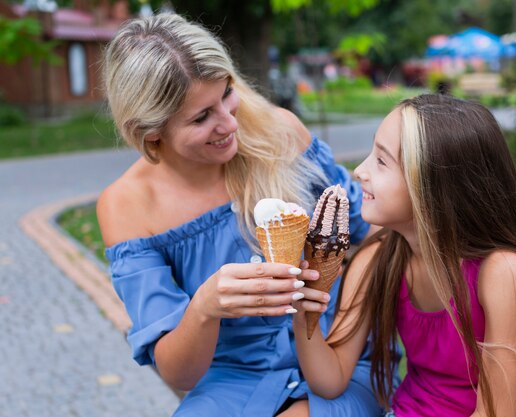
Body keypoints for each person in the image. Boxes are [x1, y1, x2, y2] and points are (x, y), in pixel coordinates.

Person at [96, 13, 380, 417]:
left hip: (339, 357)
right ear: (149, 131)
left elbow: (371, 232)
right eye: (201, 117)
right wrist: (205, 307)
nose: (230, 123)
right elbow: (179, 375)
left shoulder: (280, 132)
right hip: (231, 382)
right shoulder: (126, 205)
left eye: (227, 93)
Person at [292, 94, 516, 417]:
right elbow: (331, 380)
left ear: (433, 187)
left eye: (381, 161)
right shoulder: (378, 259)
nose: (359, 171)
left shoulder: (503, 272)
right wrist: (301, 313)